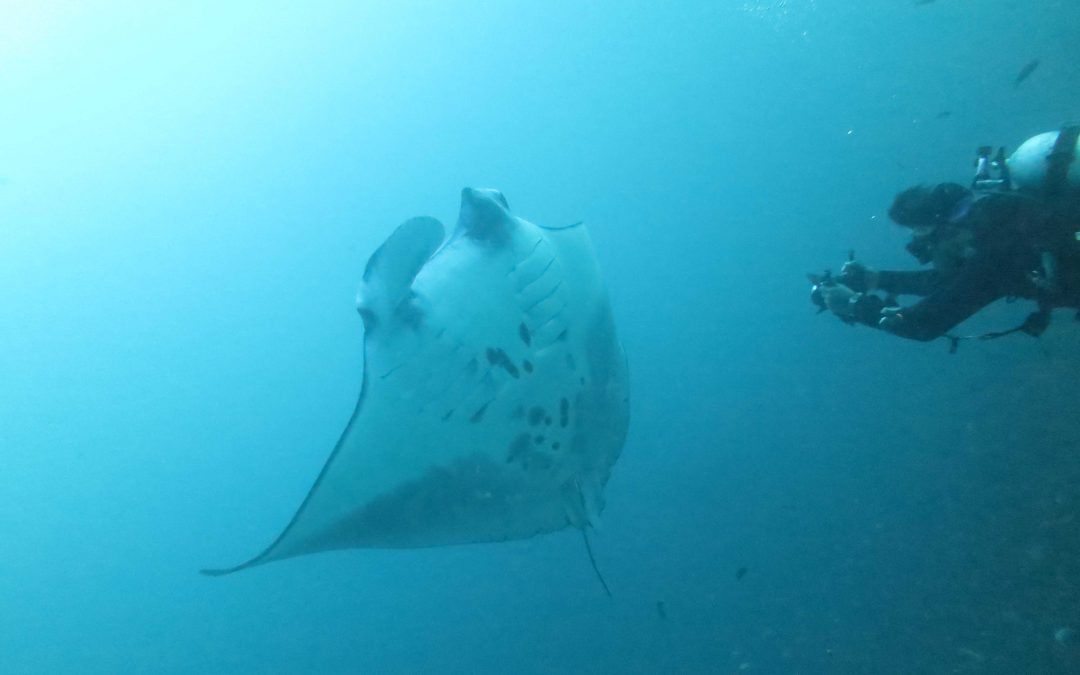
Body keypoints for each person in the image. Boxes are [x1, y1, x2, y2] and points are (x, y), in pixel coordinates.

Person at [812, 180, 1080, 342]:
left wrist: (852, 304)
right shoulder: (1005, 222)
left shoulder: (994, 258)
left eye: (922, 234)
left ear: (946, 227)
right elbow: (952, 280)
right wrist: (878, 279)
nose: (923, 248)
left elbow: (923, 325)